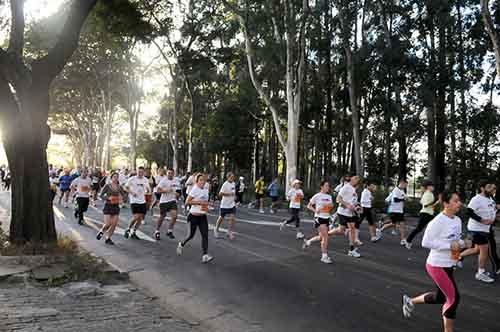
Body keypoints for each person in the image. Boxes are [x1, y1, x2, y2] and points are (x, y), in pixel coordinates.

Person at [402, 191, 472, 332]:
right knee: (453, 298)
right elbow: (426, 242)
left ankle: (410, 301)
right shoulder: (437, 221)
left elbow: (454, 241)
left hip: (448, 264)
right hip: (436, 265)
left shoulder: (457, 220)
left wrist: (461, 247)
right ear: (446, 204)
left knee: (441, 297)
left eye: (459, 201)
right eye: (456, 201)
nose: (459, 203)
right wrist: (449, 246)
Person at [459, 180, 496, 283]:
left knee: (476, 250)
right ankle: (480, 273)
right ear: (482, 188)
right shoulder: (477, 199)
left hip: (485, 229)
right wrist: (482, 220)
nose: (491, 189)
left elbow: (491, 211)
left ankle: (457, 256)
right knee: (484, 250)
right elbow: (468, 211)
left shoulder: (490, 199)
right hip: (477, 229)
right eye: (489, 187)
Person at [176, 173, 214, 263]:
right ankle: (181, 244)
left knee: (205, 235)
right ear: (197, 181)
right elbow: (187, 202)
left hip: (202, 217)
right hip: (193, 216)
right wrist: (198, 202)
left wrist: (207, 206)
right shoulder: (195, 189)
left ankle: (205, 255)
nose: (202, 182)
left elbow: (205, 202)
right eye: (200, 180)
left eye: (204, 180)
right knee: (190, 235)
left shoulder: (206, 190)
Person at [303, 180, 334, 264]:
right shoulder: (317, 196)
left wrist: (328, 206)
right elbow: (309, 206)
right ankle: (324, 256)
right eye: (326, 185)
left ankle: (308, 241)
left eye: (328, 186)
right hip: (319, 218)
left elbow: (331, 205)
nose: (328, 187)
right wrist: (316, 210)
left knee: (321, 237)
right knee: (325, 237)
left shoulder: (329, 196)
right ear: (322, 186)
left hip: (326, 218)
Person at [405, 180, 440, 249]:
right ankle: (408, 240)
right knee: (419, 228)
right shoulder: (428, 194)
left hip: (428, 213)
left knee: (434, 227)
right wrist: (436, 201)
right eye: (432, 186)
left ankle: (432, 243)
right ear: (428, 187)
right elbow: (426, 205)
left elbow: (425, 204)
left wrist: (437, 202)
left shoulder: (428, 193)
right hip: (425, 214)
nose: (433, 187)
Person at [335, 175, 362, 258]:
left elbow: (353, 201)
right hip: (343, 212)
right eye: (355, 178)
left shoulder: (353, 189)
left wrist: (358, 207)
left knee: (352, 229)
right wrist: (347, 205)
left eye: (358, 180)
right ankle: (326, 234)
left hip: (350, 213)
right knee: (340, 230)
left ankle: (351, 250)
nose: (356, 180)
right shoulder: (346, 187)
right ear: (351, 179)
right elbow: (338, 199)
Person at [96, 172, 127, 245]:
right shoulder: (107, 186)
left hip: (116, 206)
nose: (115, 178)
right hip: (108, 206)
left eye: (117, 177)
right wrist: (108, 198)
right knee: (107, 224)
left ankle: (108, 238)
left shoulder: (119, 187)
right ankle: (101, 231)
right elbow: (100, 195)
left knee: (114, 224)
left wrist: (123, 199)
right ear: (111, 178)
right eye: (114, 177)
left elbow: (124, 196)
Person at [377, 179, 409, 246]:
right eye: (405, 185)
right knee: (395, 224)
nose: (405, 186)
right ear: (401, 183)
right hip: (394, 210)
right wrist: (404, 199)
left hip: (400, 210)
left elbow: (388, 200)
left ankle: (402, 240)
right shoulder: (396, 190)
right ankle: (380, 229)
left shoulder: (401, 191)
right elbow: (395, 199)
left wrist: (406, 199)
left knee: (400, 224)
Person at [124, 167, 151, 240]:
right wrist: (132, 193)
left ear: (144, 172)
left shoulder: (145, 180)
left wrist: (148, 191)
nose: (140, 173)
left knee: (140, 218)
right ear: (136, 171)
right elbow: (125, 187)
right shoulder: (132, 179)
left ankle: (134, 232)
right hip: (134, 201)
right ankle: (128, 229)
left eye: (142, 172)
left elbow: (148, 190)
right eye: (139, 172)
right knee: (136, 217)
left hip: (142, 201)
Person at [154, 169, 180, 241]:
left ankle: (169, 231)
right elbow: (158, 190)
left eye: (171, 173)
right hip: (164, 201)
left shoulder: (176, 180)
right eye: (169, 173)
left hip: (172, 201)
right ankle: (157, 231)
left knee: (174, 216)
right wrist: (166, 190)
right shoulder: (163, 180)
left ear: (173, 174)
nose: (170, 174)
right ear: (167, 174)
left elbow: (178, 191)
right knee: (162, 216)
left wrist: (177, 195)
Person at [214, 173, 237, 240]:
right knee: (221, 218)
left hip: (232, 204)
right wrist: (229, 194)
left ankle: (229, 232)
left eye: (233, 177)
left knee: (232, 218)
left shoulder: (233, 183)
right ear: (228, 177)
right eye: (232, 177)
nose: (233, 178)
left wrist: (234, 196)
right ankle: (216, 229)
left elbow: (233, 192)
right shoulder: (225, 184)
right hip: (225, 204)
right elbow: (220, 194)